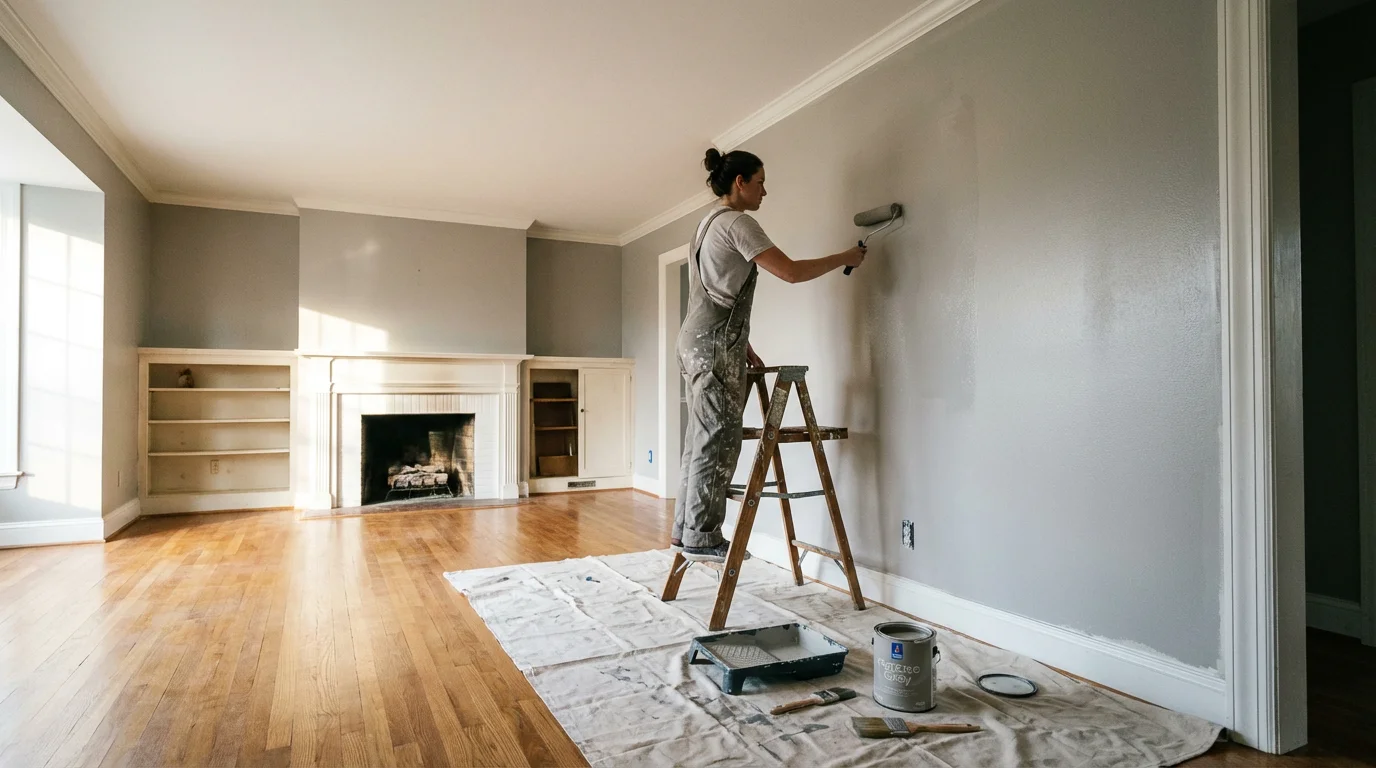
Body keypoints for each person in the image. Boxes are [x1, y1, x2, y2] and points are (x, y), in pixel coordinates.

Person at [671, 148, 867, 562]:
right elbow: (791, 272)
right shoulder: (738, 222)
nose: (765, 190)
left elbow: (715, 290)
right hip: (713, 347)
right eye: (760, 181)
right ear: (739, 183)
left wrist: (741, 343)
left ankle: (684, 530)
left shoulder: (705, 224)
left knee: (698, 438)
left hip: (697, 340)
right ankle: (702, 536)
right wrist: (846, 258)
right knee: (718, 439)